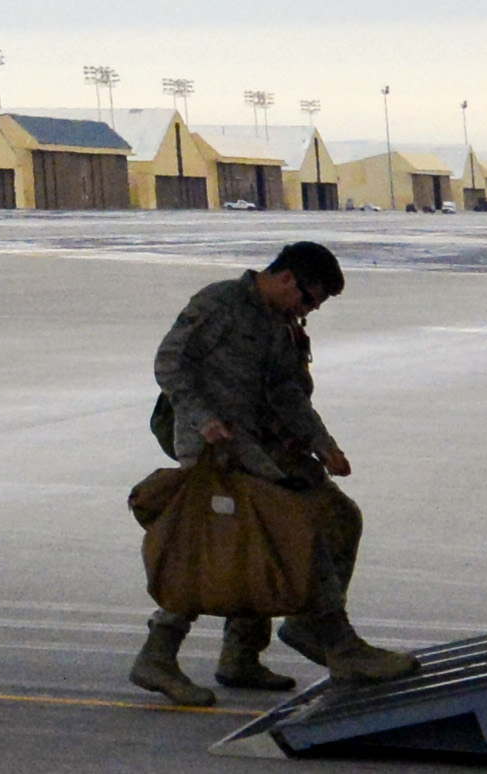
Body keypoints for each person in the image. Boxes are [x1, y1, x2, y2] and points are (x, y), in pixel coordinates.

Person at [138, 239, 414, 700]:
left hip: (262, 447)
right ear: (287, 278)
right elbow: (169, 363)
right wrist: (203, 418)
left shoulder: (278, 321)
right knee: (249, 538)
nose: (309, 310)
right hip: (215, 448)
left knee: (334, 518)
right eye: (308, 300)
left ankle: (244, 654)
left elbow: (287, 390)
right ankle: (161, 654)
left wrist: (322, 442)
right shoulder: (220, 303)